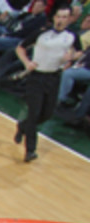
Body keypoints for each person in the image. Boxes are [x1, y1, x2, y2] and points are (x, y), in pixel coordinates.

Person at [13, 4, 82, 160]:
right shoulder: (41, 34)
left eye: (65, 17)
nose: (61, 20)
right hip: (36, 77)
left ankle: (23, 126)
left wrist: (71, 57)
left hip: (54, 77)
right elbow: (20, 48)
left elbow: (79, 51)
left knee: (47, 114)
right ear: (53, 17)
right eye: (59, 16)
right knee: (34, 112)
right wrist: (27, 63)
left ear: (69, 19)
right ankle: (30, 150)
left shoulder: (72, 36)